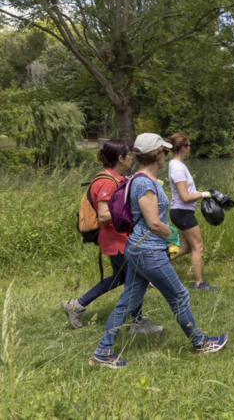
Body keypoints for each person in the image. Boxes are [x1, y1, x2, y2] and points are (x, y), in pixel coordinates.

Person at [90, 133, 228, 369]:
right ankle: (200, 342)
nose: (165, 154)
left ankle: (103, 352)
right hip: (148, 250)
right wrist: (172, 236)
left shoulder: (139, 179)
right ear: (156, 154)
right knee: (180, 296)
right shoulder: (144, 183)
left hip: (139, 247)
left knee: (128, 301)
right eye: (163, 151)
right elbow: (153, 223)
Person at [62, 139, 163, 335]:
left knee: (121, 278)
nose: (132, 157)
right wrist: (136, 211)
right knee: (138, 279)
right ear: (120, 158)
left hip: (116, 239)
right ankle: (137, 323)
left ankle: (76, 305)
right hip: (117, 241)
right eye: (129, 154)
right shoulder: (106, 182)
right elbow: (103, 215)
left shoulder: (115, 177)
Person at [166, 133, 216, 291]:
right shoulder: (177, 167)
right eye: (189, 145)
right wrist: (204, 194)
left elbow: (188, 192)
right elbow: (185, 197)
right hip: (182, 212)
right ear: (182, 148)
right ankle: (198, 283)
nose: (190, 148)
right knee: (198, 246)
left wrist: (202, 193)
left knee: (185, 248)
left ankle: (154, 268)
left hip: (181, 211)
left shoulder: (177, 165)